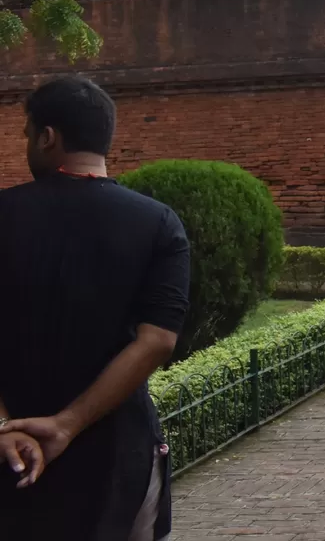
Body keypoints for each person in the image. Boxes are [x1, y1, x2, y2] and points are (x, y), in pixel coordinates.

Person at [0, 75, 191, 541]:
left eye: (27, 134)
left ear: (48, 137)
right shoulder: (158, 223)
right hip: (116, 452)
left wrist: (5, 425)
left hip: (10, 454)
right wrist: (67, 424)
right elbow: (157, 341)